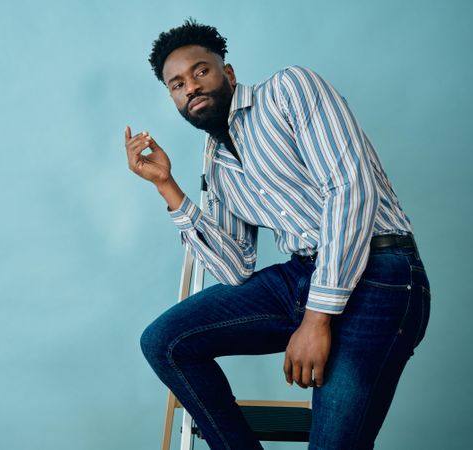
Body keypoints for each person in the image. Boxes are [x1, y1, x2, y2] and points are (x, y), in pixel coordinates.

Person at [124, 18, 431, 450]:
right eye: (176, 84)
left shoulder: (290, 89)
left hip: (381, 272)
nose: (190, 87)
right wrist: (167, 187)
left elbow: (349, 189)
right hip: (302, 274)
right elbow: (234, 268)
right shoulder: (215, 162)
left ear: (227, 74)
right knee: (165, 342)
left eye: (200, 71)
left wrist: (316, 319)